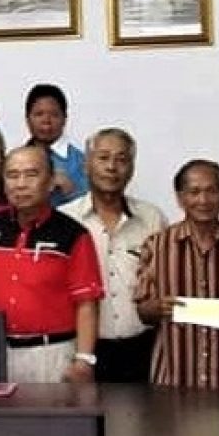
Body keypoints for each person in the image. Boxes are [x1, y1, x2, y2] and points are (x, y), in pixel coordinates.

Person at [136, 160, 219, 392]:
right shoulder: (155, 246)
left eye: (212, 191)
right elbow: (143, 312)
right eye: (194, 192)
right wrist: (156, 307)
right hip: (173, 378)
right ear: (180, 197)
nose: (203, 200)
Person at [0, 145, 103, 384]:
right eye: (12, 175)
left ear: (51, 181)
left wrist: (84, 359)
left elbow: (87, 303)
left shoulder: (73, 234)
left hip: (51, 353)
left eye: (31, 174)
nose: (21, 184)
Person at [61, 128, 168, 383]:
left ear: (131, 168)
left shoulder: (152, 219)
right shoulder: (65, 219)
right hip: (82, 351)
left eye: (122, 159)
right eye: (103, 158)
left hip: (142, 348)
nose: (112, 167)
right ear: (87, 165)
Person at [24, 84, 86, 205]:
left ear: (65, 119)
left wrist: (71, 191)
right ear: (27, 118)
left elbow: (93, 206)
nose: (46, 121)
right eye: (39, 114)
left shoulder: (82, 162)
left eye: (54, 115)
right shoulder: (14, 161)